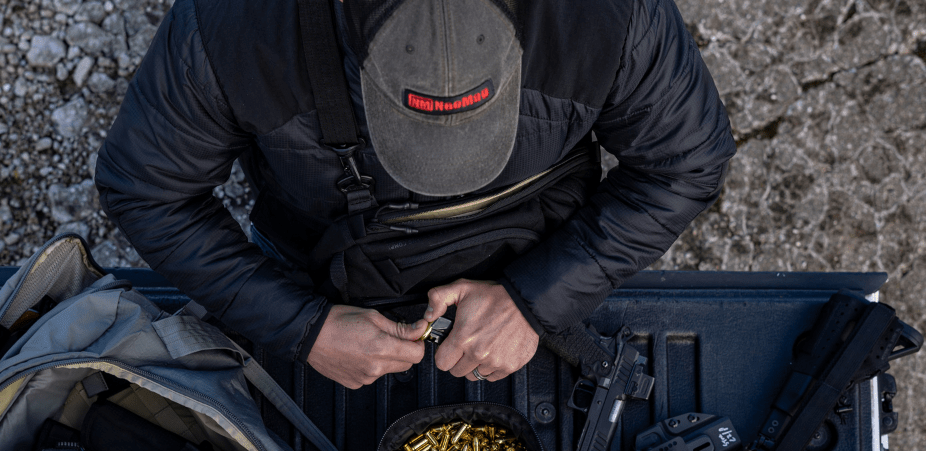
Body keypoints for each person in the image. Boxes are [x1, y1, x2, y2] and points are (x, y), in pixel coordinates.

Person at [95, 0, 735, 389]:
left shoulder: (610, 14)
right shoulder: (229, 27)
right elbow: (147, 191)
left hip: (548, 254)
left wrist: (534, 300)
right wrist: (302, 326)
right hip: (319, 276)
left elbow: (687, 161)